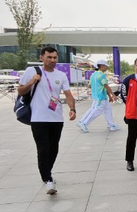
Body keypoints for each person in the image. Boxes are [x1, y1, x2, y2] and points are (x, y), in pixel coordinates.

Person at [17, 46, 76, 194]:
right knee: (43, 149)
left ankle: (46, 172)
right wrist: (32, 82)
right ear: (41, 57)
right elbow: (20, 91)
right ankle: (48, 179)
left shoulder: (61, 75)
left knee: (54, 148)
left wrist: (72, 109)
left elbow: (68, 94)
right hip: (38, 118)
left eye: (55, 57)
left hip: (56, 118)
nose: (52, 60)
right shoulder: (32, 72)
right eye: (49, 57)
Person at [77, 60, 119, 133]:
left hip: (97, 96)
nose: (106, 68)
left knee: (107, 110)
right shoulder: (102, 75)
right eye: (106, 66)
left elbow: (96, 86)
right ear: (101, 66)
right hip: (100, 97)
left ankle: (111, 125)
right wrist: (113, 95)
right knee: (97, 111)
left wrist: (109, 96)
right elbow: (106, 86)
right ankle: (84, 123)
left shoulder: (93, 75)